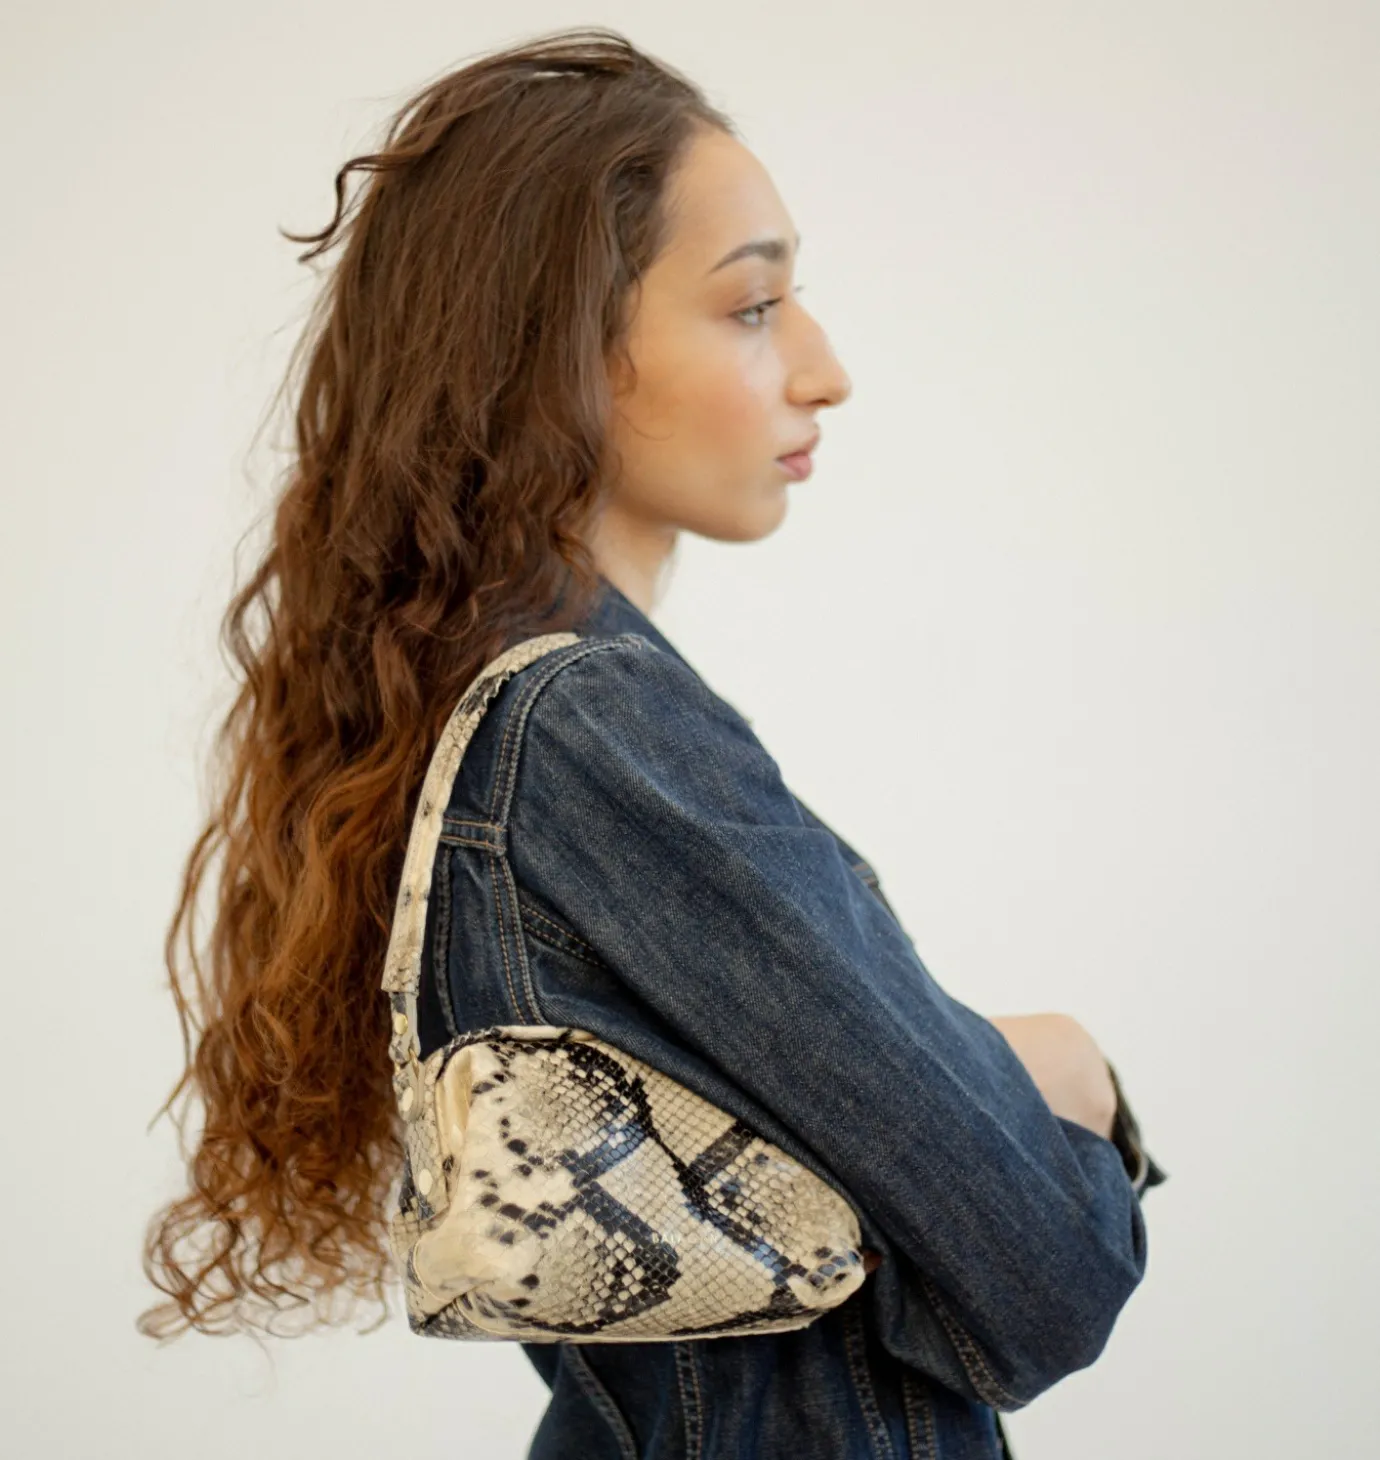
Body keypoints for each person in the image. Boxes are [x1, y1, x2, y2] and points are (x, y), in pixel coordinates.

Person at [138, 26, 1166, 1459]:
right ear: (557, 350)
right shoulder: (591, 725)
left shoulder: (507, 700)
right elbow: (1037, 1279)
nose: (824, 370)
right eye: (753, 306)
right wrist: (1069, 1077)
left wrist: (973, 1078)